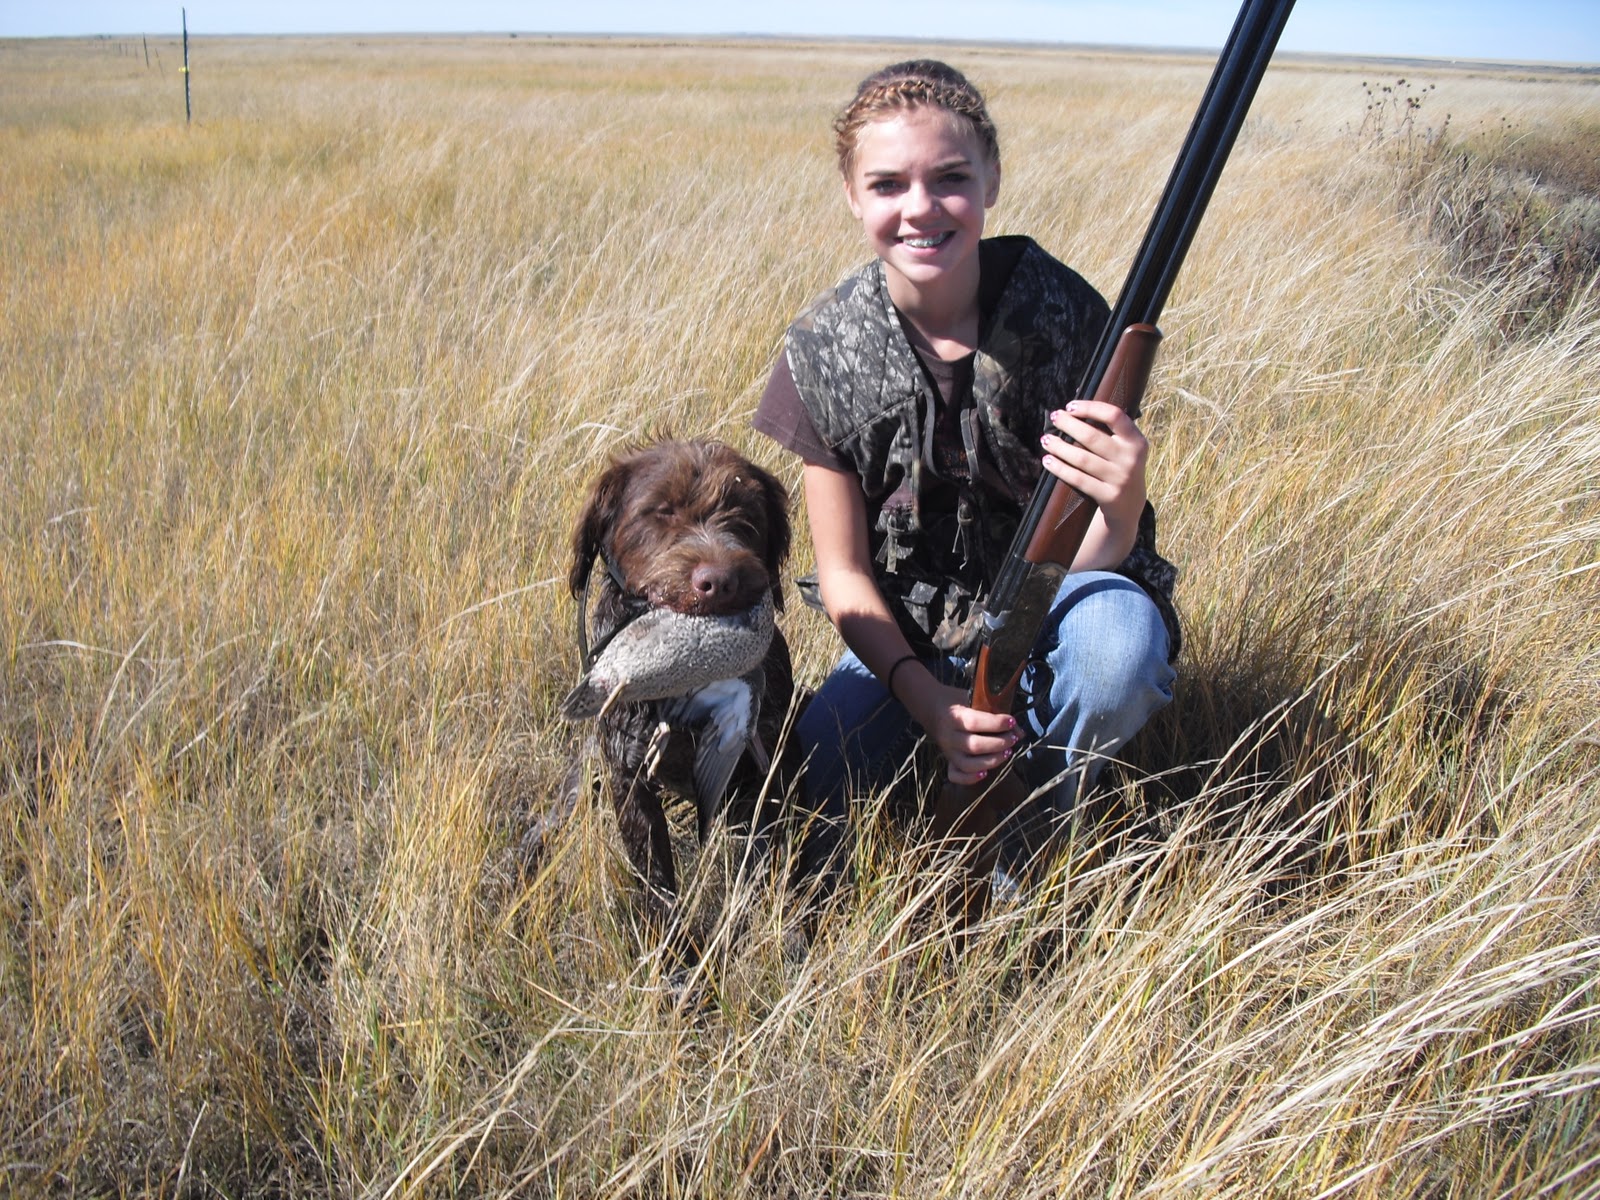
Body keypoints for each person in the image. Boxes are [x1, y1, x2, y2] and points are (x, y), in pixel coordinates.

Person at [754, 59, 1180, 885]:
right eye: (887, 184)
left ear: (991, 179)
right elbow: (842, 577)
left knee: (1115, 654)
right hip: (910, 639)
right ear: (852, 195)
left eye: (950, 178)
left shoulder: (1069, 317)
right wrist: (924, 698)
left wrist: (1123, 506)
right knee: (815, 773)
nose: (920, 207)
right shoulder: (821, 352)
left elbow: (1092, 543)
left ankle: (1037, 832)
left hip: (1058, 603)